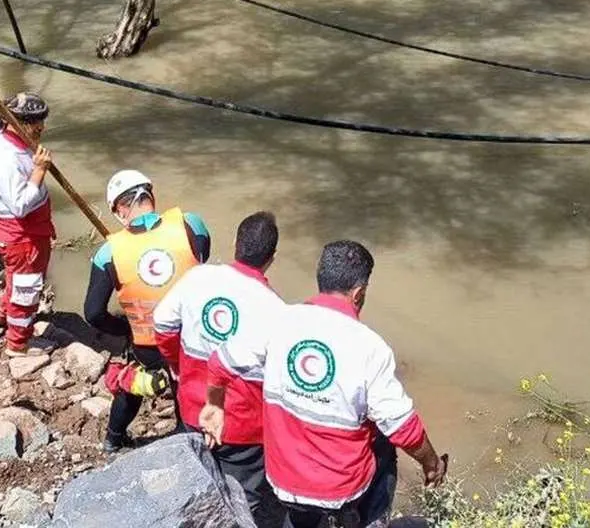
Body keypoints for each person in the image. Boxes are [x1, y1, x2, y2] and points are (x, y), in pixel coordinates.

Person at [201, 240, 446, 528]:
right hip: (340, 493)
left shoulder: (278, 320)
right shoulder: (370, 347)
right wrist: (432, 465)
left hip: (281, 482)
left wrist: (214, 405)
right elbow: (404, 428)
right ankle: (371, 522)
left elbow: (220, 362)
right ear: (359, 294)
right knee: (383, 443)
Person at [153, 212, 286, 527]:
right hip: (243, 426)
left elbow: (162, 323)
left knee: (194, 483)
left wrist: (175, 364)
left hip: (192, 408)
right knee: (244, 499)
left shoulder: (197, 278)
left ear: (236, 244)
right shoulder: (276, 309)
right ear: (272, 258)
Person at [85, 169, 210, 452]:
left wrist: (126, 328)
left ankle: (113, 439)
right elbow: (201, 264)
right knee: (185, 380)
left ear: (119, 210)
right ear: (150, 196)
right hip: (191, 337)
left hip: (147, 343)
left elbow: (93, 313)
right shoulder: (192, 224)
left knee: (135, 380)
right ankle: (186, 436)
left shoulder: (108, 253)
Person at [0, 92, 55, 357]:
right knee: (27, 288)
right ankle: (18, 344)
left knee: (16, 278)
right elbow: (20, 204)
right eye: (35, 123)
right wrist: (39, 171)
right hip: (21, 237)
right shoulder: (7, 158)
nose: (41, 128)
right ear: (16, 122)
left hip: (17, 232)